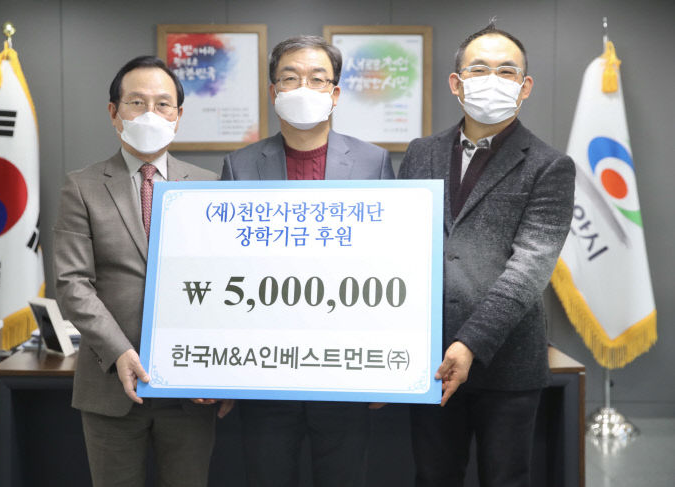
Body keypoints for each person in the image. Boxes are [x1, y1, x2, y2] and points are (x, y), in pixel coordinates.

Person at [398, 23, 575, 486]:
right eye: (478, 70)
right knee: (433, 476)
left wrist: (470, 343)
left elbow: (529, 269)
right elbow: (400, 248)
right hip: (429, 358)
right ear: (456, 83)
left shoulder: (550, 165)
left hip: (507, 362)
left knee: (505, 478)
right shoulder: (420, 153)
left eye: (506, 71)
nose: (492, 79)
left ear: (525, 86)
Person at [222, 35, 395, 487]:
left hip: (345, 367)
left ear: (335, 93)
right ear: (273, 90)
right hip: (264, 368)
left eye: (317, 79)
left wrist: (385, 369)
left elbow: (389, 264)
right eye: (290, 78)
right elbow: (225, 269)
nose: (304, 88)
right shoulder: (240, 165)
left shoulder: (373, 162)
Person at [54, 55, 227, 487]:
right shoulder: (82, 186)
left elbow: (228, 284)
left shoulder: (211, 186)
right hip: (110, 383)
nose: (151, 113)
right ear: (114, 113)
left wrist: (222, 371)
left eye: (163, 104)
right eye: (136, 102)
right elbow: (72, 284)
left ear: (178, 116)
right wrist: (120, 352)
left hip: (192, 388)